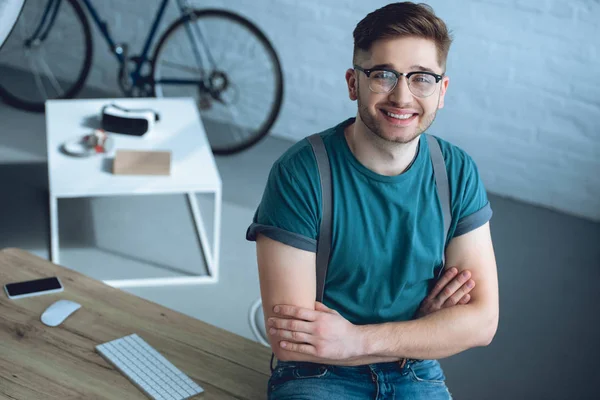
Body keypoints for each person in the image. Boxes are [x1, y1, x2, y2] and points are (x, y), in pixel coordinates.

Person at [246, 2, 499, 399]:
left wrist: (355, 340)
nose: (402, 96)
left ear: (441, 90)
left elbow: (482, 323)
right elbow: (293, 343)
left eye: (421, 78)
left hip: (415, 374)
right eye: (383, 74)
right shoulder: (301, 173)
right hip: (317, 377)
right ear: (353, 83)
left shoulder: (457, 172)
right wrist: (421, 329)